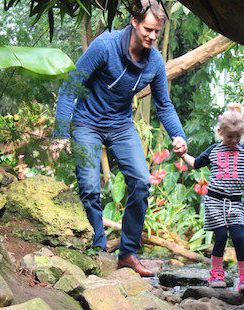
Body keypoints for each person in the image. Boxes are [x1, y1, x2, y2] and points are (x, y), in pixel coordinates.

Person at [51, 0, 187, 277]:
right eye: (148, 29)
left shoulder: (155, 63)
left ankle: (127, 254)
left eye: (157, 32)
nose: (152, 36)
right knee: (89, 187)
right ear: (134, 22)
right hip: (85, 122)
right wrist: (61, 133)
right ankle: (98, 251)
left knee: (141, 181)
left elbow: (164, 104)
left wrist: (178, 135)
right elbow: (69, 87)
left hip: (121, 125)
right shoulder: (105, 46)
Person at [180, 103, 244, 292]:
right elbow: (195, 163)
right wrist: (183, 154)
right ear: (220, 132)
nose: (234, 140)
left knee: (238, 236)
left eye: (237, 136)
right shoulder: (213, 151)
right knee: (220, 235)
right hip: (214, 200)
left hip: (234, 202)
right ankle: (216, 274)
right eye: (230, 136)